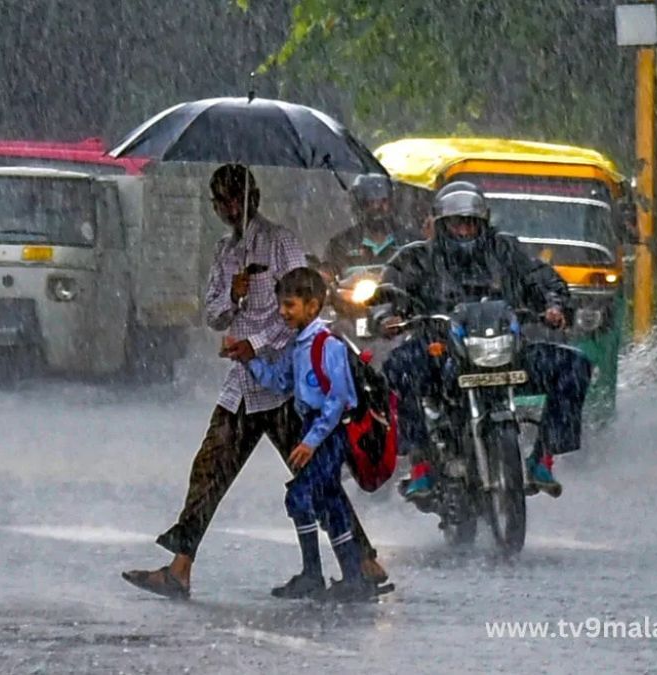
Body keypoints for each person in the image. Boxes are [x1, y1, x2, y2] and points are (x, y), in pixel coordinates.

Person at [121, 164, 387, 600]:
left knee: (315, 478)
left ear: (253, 196)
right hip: (243, 386)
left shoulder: (281, 242)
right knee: (209, 473)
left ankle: (363, 560)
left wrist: (258, 343)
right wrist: (235, 294)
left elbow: (304, 310)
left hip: (285, 386)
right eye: (221, 201)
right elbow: (212, 314)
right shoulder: (226, 253)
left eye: (236, 198)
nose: (230, 208)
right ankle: (180, 567)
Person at [377, 181, 591, 501]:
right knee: (398, 368)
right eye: (457, 223)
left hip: (506, 350)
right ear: (440, 224)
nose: (464, 230)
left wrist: (554, 306)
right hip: (440, 351)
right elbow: (388, 293)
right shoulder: (416, 257)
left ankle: (543, 458)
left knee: (574, 365)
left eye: (471, 222)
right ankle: (420, 461)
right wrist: (388, 317)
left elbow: (544, 279)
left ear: (484, 222)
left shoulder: (506, 249)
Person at [238, 267, 393, 602]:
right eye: (281, 304)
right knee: (329, 502)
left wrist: (311, 442)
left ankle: (314, 573)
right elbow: (280, 383)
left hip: (329, 434)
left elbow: (337, 400)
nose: (283, 312)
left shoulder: (328, 345)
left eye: (289, 305)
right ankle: (351, 576)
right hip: (312, 428)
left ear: (312, 306)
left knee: (300, 497)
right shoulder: (298, 345)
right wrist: (249, 360)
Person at [321, 174, 429, 274]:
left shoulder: (411, 241)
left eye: (383, 201)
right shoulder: (341, 244)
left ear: (391, 203)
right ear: (360, 206)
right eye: (370, 202)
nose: (377, 207)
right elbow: (328, 278)